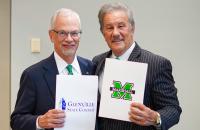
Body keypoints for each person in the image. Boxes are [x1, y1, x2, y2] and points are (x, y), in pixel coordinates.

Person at [92, 2, 182, 130]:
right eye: (109, 27)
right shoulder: (97, 62)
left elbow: (173, 109)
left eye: (121, 26)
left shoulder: (156, 64)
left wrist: (155, 117)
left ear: (132, 28)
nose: (115, 33)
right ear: (102, 32)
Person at [10, 8, 96, 130]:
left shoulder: (92, 68)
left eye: (74, 33)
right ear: (51, 36)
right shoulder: (33, 75)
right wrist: (40, 121)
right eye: (62, 33)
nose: (69, 39)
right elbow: (16, 120)